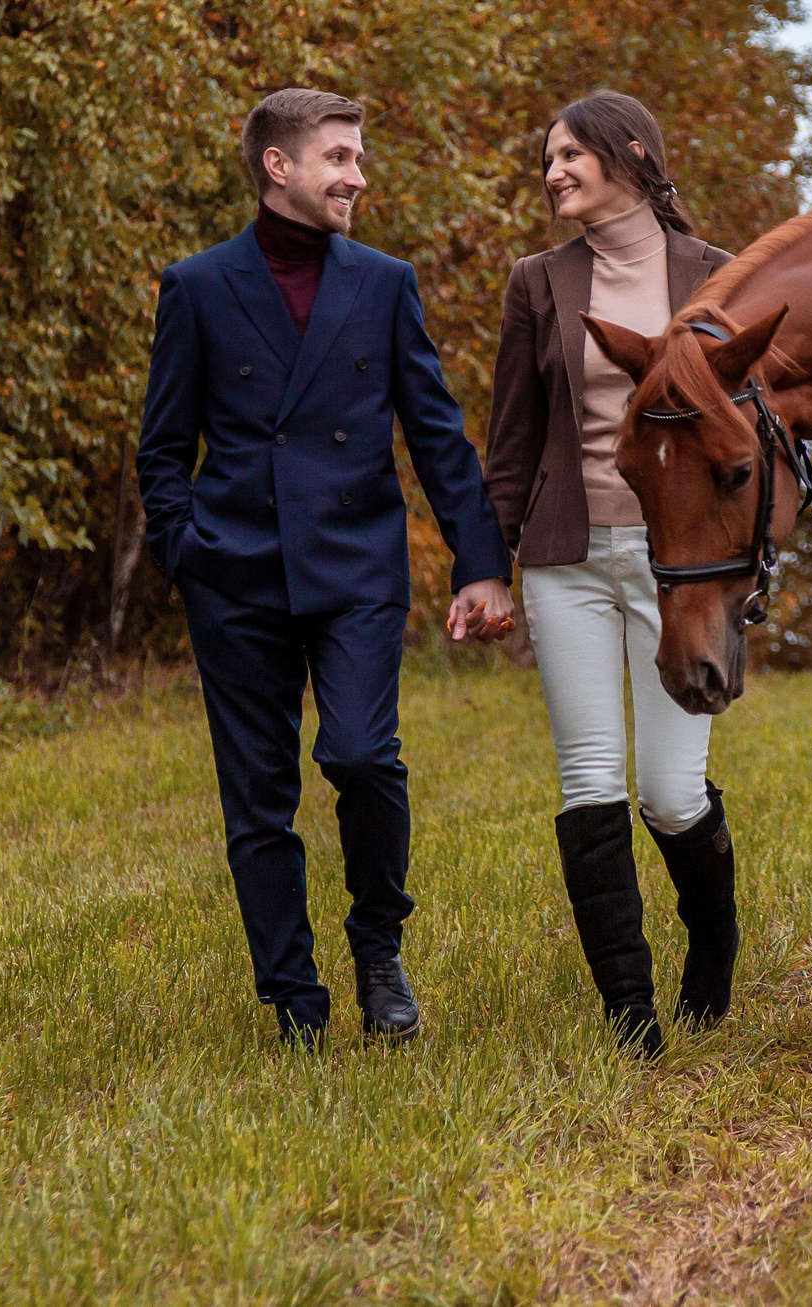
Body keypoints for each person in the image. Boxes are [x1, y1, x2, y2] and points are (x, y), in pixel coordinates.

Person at [139, 87, 514, 1045]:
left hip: (355, 566)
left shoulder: (384, 283)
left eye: (357, 157)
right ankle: (295, 1004)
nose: (358, 175)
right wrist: (185, 551)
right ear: (280, 166)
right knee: (257, 795)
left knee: (360, 754)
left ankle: (378, 947)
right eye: (340, 157)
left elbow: (436, 433)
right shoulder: (198, 285)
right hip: (235, 572)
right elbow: (163, 447)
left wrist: (480, 561)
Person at [484, 90, 740, 1057]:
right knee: (589, 778)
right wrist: (487, 567)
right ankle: (630, 1013)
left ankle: (711, 946)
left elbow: (753, 432)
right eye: (546, 160)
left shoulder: (717, 276)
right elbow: (511, 441)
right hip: (569, 559)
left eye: (568, 155)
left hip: (683, 569)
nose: (552, 173)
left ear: (630, 152)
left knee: (672, 792)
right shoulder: (538, 282)